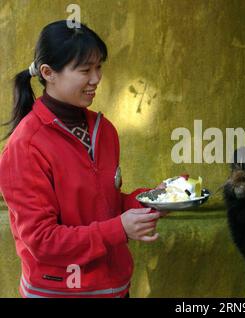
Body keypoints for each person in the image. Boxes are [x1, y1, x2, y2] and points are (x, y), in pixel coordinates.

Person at [0, 20, 163, 298]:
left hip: (114, 289)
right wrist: (119, 230)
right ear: (48, 73)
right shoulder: (25, 146)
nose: (96, 78)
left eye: (99, 67)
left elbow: (104, 207)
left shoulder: (105, 130)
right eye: (85, 70)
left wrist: (156, 199)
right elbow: (42, 240)